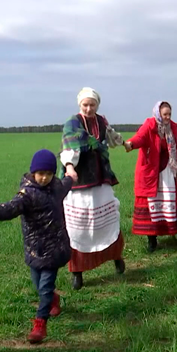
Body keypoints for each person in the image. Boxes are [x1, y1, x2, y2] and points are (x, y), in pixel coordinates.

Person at [0, 149, 74, 343]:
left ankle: (40, 324)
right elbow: (12, 207)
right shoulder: (27, 194)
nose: (44, 178)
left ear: (53, 174)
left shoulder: (57, 187)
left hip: (54, 249)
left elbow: (67, 184)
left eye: (49, 174)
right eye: (40, 173)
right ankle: (54, 299)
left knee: (44, 288)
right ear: (33, 173)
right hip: (35, 249)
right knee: (39, 286)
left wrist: (71, 176)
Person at [58, 87, 126, 290]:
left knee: (108, 219)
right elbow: (68, 148)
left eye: (92, 105)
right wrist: (69, 167)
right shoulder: (72, 123)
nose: (88, 108)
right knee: (78, 225)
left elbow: (112, 137)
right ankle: (77, 271)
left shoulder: (102, 121)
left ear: (97, 105)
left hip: (101, 177)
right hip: (79, 181)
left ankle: (116, 257)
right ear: (80, 105)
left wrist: (125, 143)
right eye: (85, 105)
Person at [124, 101, 177, 252]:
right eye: (165, 114)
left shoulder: (172, 129)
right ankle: (152, 239)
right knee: (152, 204)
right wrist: (131, 144)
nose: (168, 117)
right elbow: (140, 138)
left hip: (169, 171)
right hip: (151, 173)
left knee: (172, 201)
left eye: (170, 114)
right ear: (158, 113)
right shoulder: (149, 126)